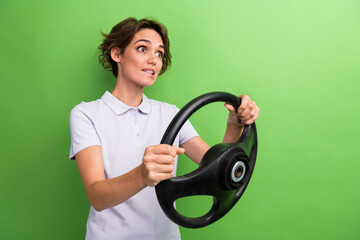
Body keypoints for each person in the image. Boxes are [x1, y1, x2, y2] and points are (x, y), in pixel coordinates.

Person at [69, 17, 260, 240]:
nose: (154, 60)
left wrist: (234, 124)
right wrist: (142, 175)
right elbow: (97, 196)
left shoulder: (170, 114)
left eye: (159, 53)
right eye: (143, 49)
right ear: (117, 54)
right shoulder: (86, 114)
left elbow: (216, 168)